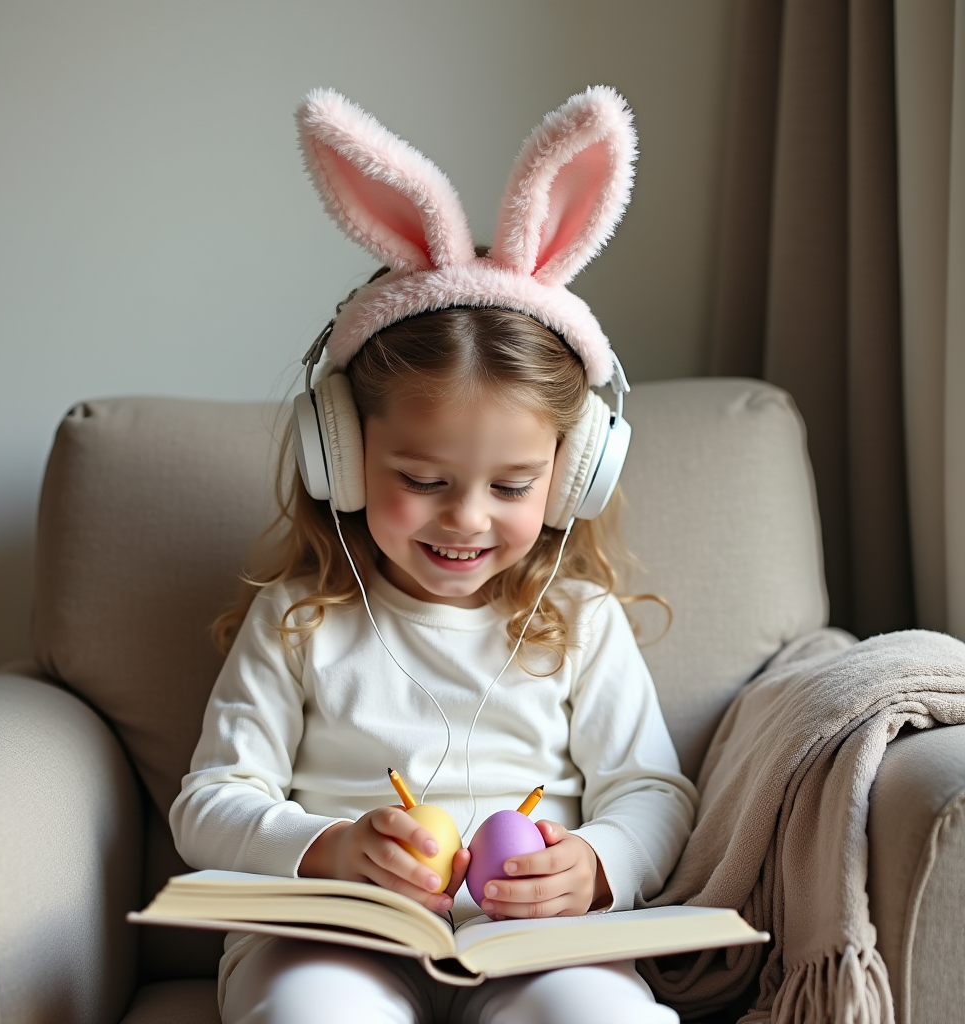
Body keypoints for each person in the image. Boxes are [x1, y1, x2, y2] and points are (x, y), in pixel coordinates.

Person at [169, 87, 698, 1024]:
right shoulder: (301, 621)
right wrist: (327, 848)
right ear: (341, 454)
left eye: (511, 486)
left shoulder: (578, 624)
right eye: (421, 477)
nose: (467, 520)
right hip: (330, 936)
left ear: (573, 478)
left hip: (533, 947)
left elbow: (650, 791)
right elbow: (208, 802)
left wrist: (598, 864)